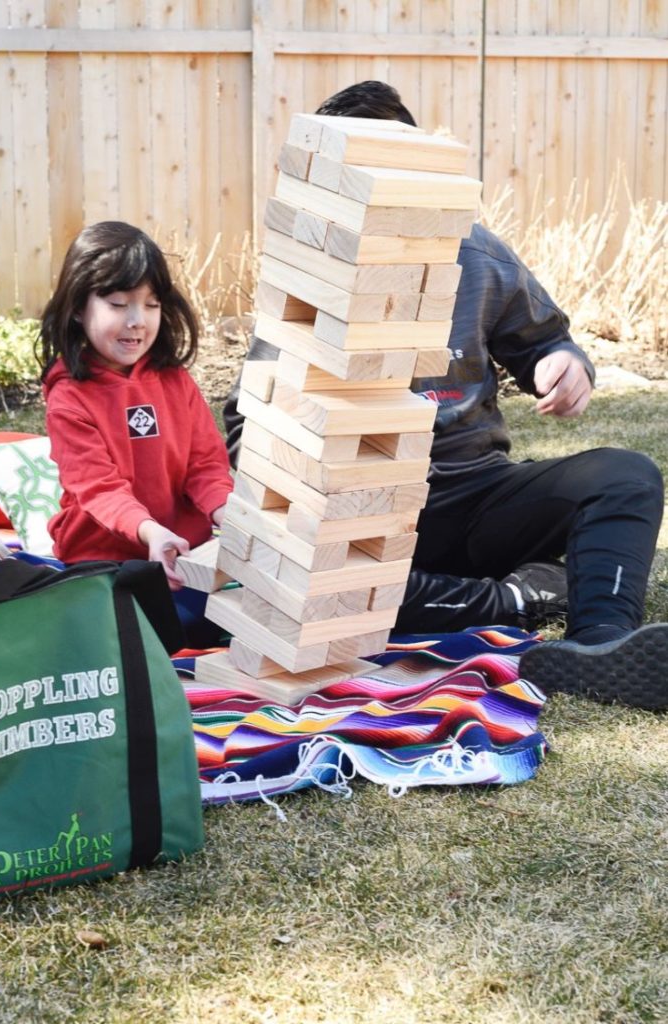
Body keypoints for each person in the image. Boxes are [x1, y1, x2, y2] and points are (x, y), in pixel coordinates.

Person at [224, 81, 667, 709]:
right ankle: (516, 599)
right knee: (314, 594)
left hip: (473, 493)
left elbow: (546, 340)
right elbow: (248, 428)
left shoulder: (478, 254)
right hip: (360, 518)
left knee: (626, 476)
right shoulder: (313, 271)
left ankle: (599, 647)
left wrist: (564, 363)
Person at [37, 220, 234, 646]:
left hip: (183, 558)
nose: (136, 321)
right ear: (77, 307)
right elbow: (99, 489)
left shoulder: (175, 381)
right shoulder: (70, 397)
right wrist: (149, 531)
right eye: (117, 304)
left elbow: (206, 463)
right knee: (136, 636)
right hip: (106, 563)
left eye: (150, 305)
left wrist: (225, 511)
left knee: (239, 619)